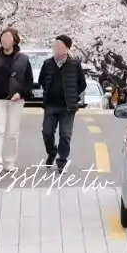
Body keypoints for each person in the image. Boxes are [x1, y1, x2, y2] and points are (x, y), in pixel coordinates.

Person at [0, 27, 34, 174]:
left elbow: (29, 81)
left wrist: (21, 93)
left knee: (12, 133)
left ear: (15, 40)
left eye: (8, 37)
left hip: (16, 100)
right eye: (2, 37)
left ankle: (9, 161)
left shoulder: (23, 59)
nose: (4, 40)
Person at [37, 35, 89, 170]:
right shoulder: (48, 63)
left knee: (65, 135)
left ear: (67, 49)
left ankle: (62, 160)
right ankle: (52, 152)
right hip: (50, 105)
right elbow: (42, 80)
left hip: (68, 106)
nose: (57, 49)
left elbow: (82, 84)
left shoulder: (74, 65)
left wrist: (72, 95)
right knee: (47, 132)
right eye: (55, 47)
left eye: (60, 47)